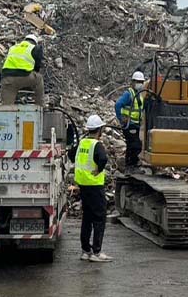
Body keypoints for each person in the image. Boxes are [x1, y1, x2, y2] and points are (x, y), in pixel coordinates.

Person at [71, 114, 113, 262]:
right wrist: (99, 170)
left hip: (83, 185)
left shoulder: (82, 143)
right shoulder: (97, 145)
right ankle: (96, 252)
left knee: (87, 218)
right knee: (99, 218)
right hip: (94, 185)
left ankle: (85, 251)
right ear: (100, 130)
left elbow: (71, 155)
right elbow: (103, 159)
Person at [0, 34, 45, 105]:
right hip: (25, 76)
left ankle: (8, 110)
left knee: (7, 107)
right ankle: (41, 106)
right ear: (35, 42)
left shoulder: (13, 47)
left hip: (7, 78)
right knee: (39, 79)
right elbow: (37, 66)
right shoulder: (35, 48)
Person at [114, 71, 145, 169]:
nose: (139, 84)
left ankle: (129, 165)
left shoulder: (139, 95)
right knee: (135, 145)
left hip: (135, 124)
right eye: (137, 81)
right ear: (133, 82)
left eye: (141, 82)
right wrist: (121, 118)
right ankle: (132, 166)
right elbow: (118, 104)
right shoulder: (129, 94)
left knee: (132, 145)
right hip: (129, 124)